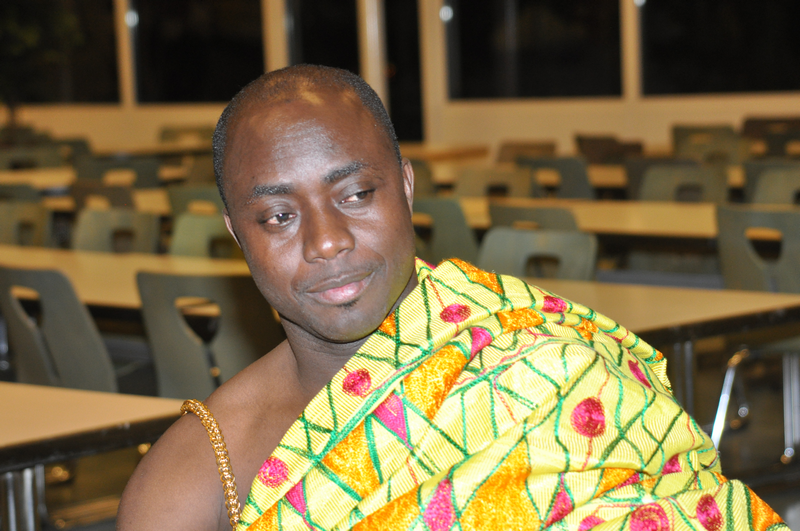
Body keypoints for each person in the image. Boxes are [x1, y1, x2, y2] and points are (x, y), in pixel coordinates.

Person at [117, 65, 787, 531]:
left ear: (406, 187)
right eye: (278, 217)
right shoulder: (198, 471)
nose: (327, 241)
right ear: (237, 233)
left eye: (356, 194)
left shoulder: (545, 367)